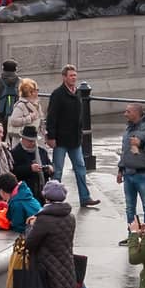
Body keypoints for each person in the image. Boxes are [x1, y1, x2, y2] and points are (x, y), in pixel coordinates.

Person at [45, 65, 99, 206]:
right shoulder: (57, 94)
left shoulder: (78, 93)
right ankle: (53, 199)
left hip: (75, 140)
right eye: (71, 75)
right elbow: (51, 117)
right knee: (57, 171)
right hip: (61, 140)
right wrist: (51, 137)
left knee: (81, 169)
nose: (74, 78)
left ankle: (85, 198)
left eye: (75, 75)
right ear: (64, 77)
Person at [117, 101, 145, 233]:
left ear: (136, 113)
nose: (125, 114)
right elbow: (125, 150)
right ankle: (132, 234)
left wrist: (141, 143)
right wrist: (121, 169)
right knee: (129, 207)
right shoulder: (129, 128)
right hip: (128, 173)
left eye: (128, 112)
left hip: (143, 174)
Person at [0, 59, 21, 126]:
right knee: (13, 132)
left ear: (3, 68)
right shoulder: (21, 81)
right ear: (16, 69)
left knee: (0, 132)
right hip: (16, 111)